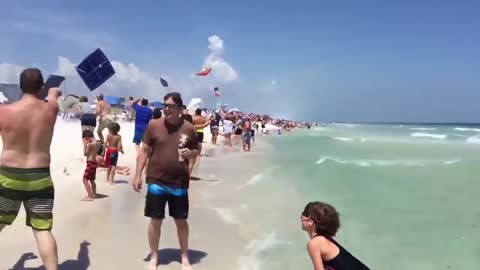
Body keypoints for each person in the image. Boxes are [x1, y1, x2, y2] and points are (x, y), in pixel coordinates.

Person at [0, 68, 61, 270]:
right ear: (41, 87)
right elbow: (54, 95)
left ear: (20, 86)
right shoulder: (50, 109)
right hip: (40, 177)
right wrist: (52, 92)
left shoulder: (4, 111)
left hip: (9, 176)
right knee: (42, 230)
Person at [132, 92, 199, 270]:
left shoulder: (189, 128)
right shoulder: (153, 125)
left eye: (170, 106)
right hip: (156, 179)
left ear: (180, 108)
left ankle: (184, 257)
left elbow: (195, 152)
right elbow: (144, 150)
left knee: (181, 221)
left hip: (179, 182)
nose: (166, 109)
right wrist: (137, 174)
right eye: (165, 105)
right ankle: (154, 257)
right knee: (155, 220)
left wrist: (190, 155)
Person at [301, 202, 370, 270]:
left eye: (302, 216)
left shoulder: (314, 243)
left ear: (310, 222)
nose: (301, 218)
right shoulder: (326, 239)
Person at [81, 130, 98, 201]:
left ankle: (90, 196)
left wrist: (85, 144)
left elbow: (85, 154)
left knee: (84, 180)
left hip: (90, 163)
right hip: (94, 163)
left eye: (85, 139)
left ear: (87, 138)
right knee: (91, 180)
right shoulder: (96, 142)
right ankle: (94, 194)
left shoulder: (90, 144)